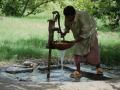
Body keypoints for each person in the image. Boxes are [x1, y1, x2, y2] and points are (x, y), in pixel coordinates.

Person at [62, 5, 103, 78]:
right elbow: (67, 26)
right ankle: (78, 72)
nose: (67, 19)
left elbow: (86, 32)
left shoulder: (83, 16)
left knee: (93, 50)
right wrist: (64, 32)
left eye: (69, 17)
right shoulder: (67, 17)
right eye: (66, 17)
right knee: (77, 52)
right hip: (79, 35)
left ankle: (98, 68)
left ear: (73, 15)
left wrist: (74, 41)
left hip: (90, 33)